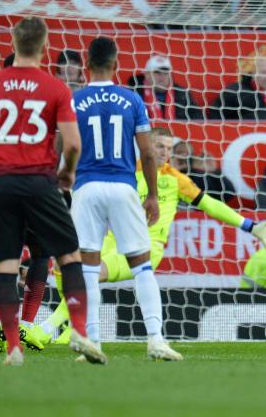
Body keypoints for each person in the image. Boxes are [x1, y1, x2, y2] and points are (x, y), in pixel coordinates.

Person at [34, 127, 266, 344]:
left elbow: (209, 204)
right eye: (159, 146)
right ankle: (73, 329)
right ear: (145, 146)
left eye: (168, 147)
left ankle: (45, 331)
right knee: (70, 269)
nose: (165, 152)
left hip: (145, 247)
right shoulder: (126, 172)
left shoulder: (176, 179)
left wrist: (250, 226)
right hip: (111, 239)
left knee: (90, 273)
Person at [0, 17, 105, 366]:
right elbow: (72, 143)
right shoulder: (56, 88)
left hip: (1, 184)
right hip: (41, 182)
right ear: (44, 47)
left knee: (6, 267)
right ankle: (81, 333)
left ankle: (13, 346)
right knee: (70, 258)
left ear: (12, 44)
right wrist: (67, 174)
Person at [63, 37, 181, 361]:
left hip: (86, 188)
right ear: (116, 66)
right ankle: (156, 339)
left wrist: (66, 176)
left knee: (87, 269)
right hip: (122, 186)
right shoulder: (132, 100)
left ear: (86, 66)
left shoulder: (73, 100)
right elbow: (146, 152)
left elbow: (67, 146)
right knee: (142, 266)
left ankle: (94, 343)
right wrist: (153, 195)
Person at [126, 54, 203, 120]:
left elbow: (198, 119)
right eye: (157, 72)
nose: (162, 76)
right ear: (146, 74)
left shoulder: (183, 94)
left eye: (165, 73)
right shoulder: (133, 94)